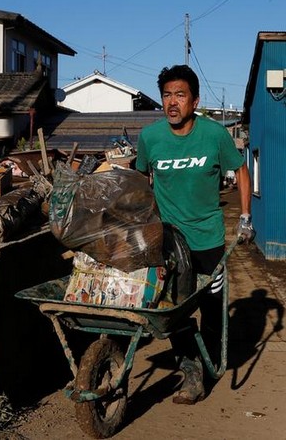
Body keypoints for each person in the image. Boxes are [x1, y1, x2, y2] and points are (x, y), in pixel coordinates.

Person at [135, 64, 255, 404]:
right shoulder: (151, 137)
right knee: (176, 311)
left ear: (195, 100)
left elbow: (242, 170)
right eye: (167, 95)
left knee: (214, 309)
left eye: (180, 95)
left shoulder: (215, 135)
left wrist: (245, 215)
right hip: (170, 242)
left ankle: (210, 359)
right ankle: (193, 373)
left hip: (209, 241)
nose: (172, 102)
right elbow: (140, 181)